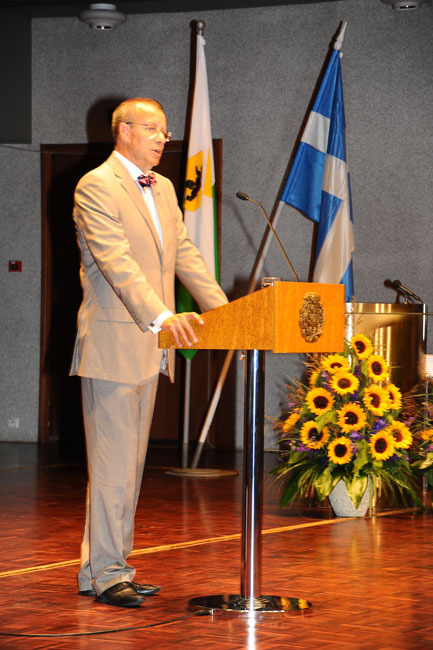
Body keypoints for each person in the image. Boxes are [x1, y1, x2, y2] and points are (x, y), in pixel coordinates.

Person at [70, 97, 228, 608]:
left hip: (148, 349)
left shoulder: (161, 188)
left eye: (165, 131)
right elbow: (117, 264)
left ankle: (107, 568)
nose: (163, 138)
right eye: (153, 129)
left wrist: (226, 313)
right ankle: (107, 573)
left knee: (128, 469)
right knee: (111, 469)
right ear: (123, 131)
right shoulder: (96, 185)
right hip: (114, 344)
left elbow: (186, 254)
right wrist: (163, 318)